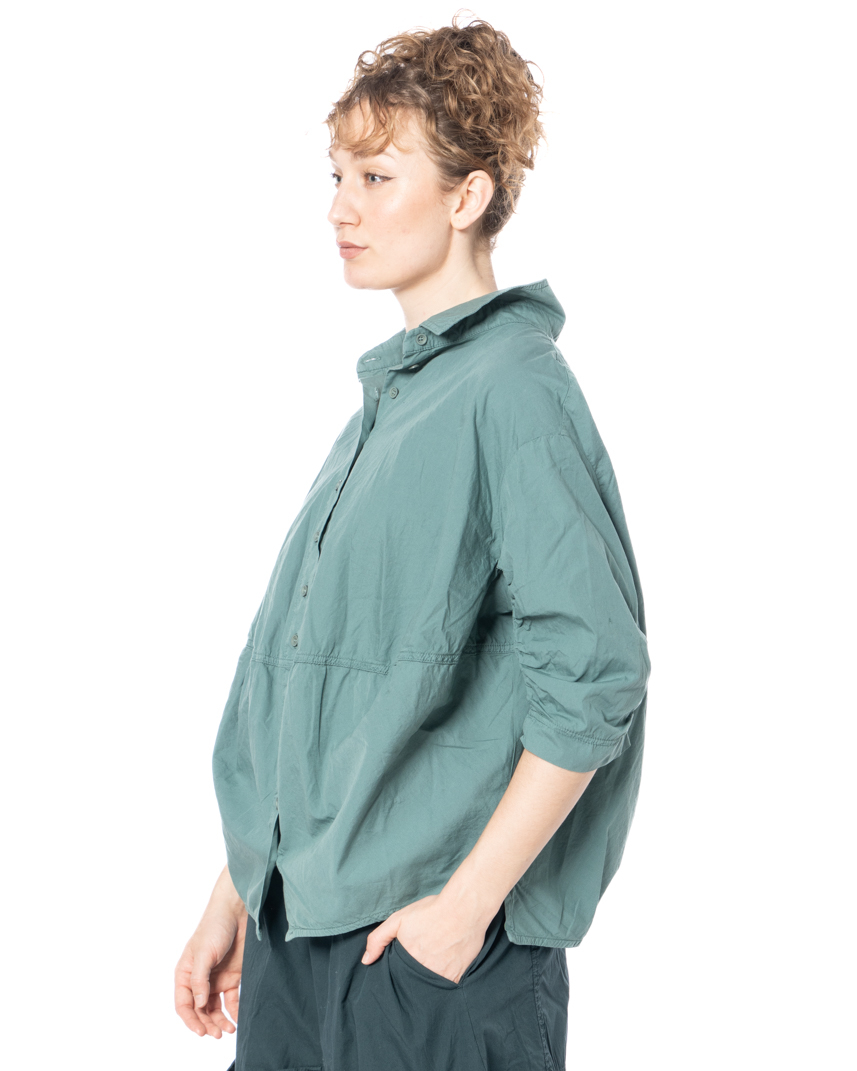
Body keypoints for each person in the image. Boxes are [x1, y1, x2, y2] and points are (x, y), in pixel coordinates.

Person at [174, 13, 651, 1071]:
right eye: (337, 176)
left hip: (427, 956)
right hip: (301, 935)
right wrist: (239, 891)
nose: (340, 208)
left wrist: (463, 909)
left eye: (377, 178)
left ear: (467, 196)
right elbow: (327, 697)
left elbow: (594, 671)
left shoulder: (512, 389)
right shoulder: (392, 406)